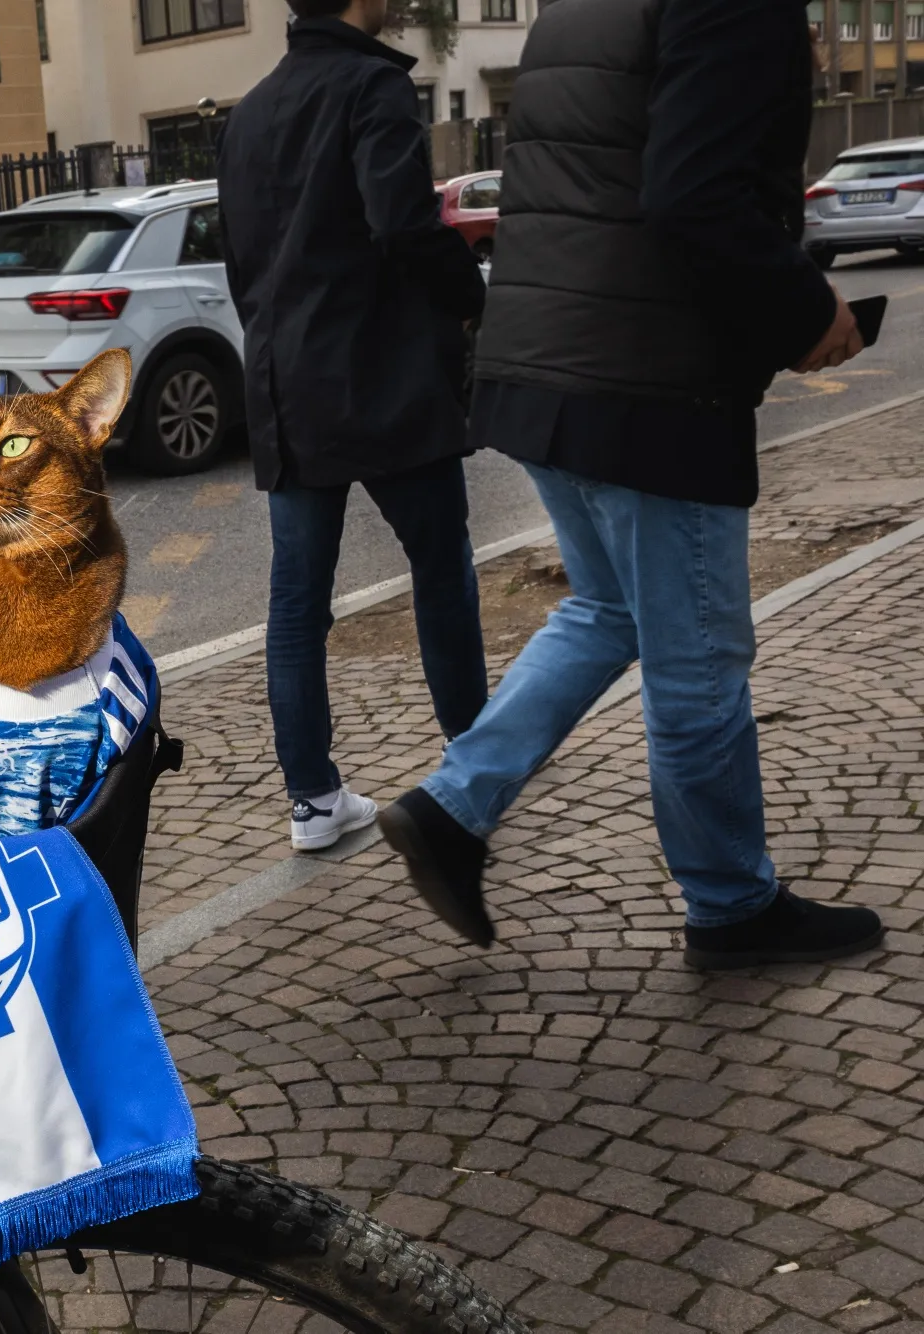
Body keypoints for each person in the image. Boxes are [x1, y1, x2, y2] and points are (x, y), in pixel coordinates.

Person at [377, 0, 883, 970]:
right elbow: (693, 194)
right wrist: (804, 304)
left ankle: (450, 806)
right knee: (695, 657)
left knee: (606, 607)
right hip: (647, 384)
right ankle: (731, 905)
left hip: (545, 368)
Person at [217, 0, 489, 852]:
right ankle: (475, 761)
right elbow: (406, 223)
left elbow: (242, 263)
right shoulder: (372, 86)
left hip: (286, 387)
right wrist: (470, 295)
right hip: (384, 378)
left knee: (297, 605)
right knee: (442, 573)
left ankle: (313, 802)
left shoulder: (251, 110)